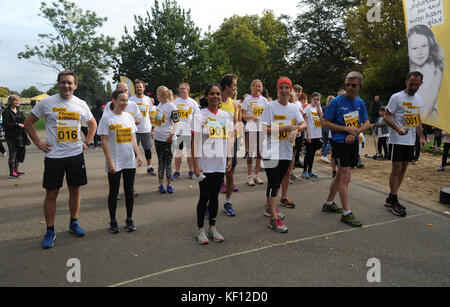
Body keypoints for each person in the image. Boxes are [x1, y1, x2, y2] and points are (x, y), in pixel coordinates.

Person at [24, 70, 97, 249]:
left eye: (70, 83)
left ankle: (73, 223)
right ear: (58, 84)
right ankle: (50, 230)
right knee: (52, 193)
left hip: (75, 154)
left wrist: (86, 142)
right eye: (63, 82)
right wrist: (39, 144)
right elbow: (28, 122)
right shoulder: (47, 102)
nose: (66, 86)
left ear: (75, 85)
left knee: (75, 189)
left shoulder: (81, 104)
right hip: (54, 156)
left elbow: (93, 123)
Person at [322, 71, 370, 227]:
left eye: (353, 85)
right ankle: (347, 213)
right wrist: (345, 130)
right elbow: (326, 123)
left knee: (340, 177)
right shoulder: (336, 102)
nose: (349, 88)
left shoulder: (360, 102)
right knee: (345, 176)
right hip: (339, 143)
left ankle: (329, 203)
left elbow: (366, 123)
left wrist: (356, 131)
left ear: (359, 86)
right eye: (348, 84)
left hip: (353, 142)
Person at [260, 77, 306, 233]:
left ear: (290, 90)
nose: (285, 90)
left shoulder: (294, 107)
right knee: (273, 182)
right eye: (282, 88)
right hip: (271, 151)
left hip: (286, 151)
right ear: (277, 90)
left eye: (287, 87)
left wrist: (297, 129)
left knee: (277, 182)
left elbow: (303, 124)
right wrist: (283, 128)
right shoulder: (270, 107)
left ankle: (269, 208)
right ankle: (273, 219)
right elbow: (263, 129)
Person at [192, 83, 233, 244]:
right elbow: (194, 142)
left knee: (215, 197)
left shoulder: (225, 116)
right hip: (204, 164)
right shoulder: (199, 115)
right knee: (204, 197)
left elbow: (228, 139)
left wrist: (229, 158)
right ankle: (200, 229)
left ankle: (212, 227)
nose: (215, 96)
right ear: (206, 96)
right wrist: (195, 165)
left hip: (219, 163)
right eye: (212, 94)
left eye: (217, 94)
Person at [98, 89, 143, 233]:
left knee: (129, 191)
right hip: (115, 161)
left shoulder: (129, 117)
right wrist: (110, 161)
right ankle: (113, 221)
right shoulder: (107, 118)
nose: (125, 103)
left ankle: (129, 219)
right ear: (114, 100)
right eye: (122, 100)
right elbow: (104, 141)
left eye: (126, 100)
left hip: (129, 159)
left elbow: (132, 137)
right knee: (114, 191)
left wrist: (138, 154)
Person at [384, 71, 426, 217]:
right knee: (396, 169)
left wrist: (421, 136)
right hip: (397, 139)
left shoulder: (419, 99)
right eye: (411, 84)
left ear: (421, 84)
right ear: (406, 82)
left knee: (403, 170)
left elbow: (417, 119)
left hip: (410, 140)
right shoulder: (396, 97)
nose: (413, 87)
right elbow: (386, 116)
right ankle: (394, 200)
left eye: (416, 84)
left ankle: (391, 197)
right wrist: (397, 128)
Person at [407, 24, 445, 122]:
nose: (420, 52)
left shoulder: (436, 70)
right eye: (414, 48)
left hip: (426, 119)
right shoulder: (412, 70)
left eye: (424, 46)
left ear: (430, 46)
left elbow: (429, 103)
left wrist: (413, 124)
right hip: (414, 119)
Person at [219, 74, 241, 216]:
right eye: (234, 85)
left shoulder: (234, 104)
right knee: (214, 175)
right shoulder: (215, 99)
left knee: (230, 173)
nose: (235, 88)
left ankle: (227, 201)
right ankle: (210, 203)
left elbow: (236, 124)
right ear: (227, 86)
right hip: (214, 142)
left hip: (231, 141)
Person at [152, 86, 179, 194]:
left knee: (168, 162)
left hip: (168, 139)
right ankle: (160, 185)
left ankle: (169, 184)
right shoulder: (159, 105)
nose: (157, 96)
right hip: (158, 138)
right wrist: (153, 129)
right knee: (160, 162)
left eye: (158, 94)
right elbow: (158, 121)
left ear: (162, 95)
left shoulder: (171, 106)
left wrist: (172, 135)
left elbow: (176, 122)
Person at [172, 82, 200, 180]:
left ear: (188, 89)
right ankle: (177, 172)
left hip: (189, 132)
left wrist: (196, 131)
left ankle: (191, 171)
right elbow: (173, 117)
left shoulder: (193, 103)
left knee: (190, 153)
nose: (181, 90)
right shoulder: (175, 102)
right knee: (178, 153)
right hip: (178, 132)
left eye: (183, 88)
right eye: (180, 89)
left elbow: (197, 117)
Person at [242, 79, 267, 186]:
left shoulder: (265, 100)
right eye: (256, 86)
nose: (258, 88)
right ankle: (249, 176)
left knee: (259, 153)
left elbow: (267, 115)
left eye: (259, 86)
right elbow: (243, 115)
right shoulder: (247, 99)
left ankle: (256, 175)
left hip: (261, 129)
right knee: (250, 154)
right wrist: (252, 117)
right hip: (251, 128)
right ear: (252, 87)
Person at [129, 80, 155, 176]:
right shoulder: (131, 100)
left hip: (146, 128)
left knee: (147, 149)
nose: (139, 89)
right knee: (133, 150)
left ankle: (149, 167)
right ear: (135, 89)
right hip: (134, 130)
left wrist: (152, 128)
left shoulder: (148, 99)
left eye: (140, 87)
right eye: (137, 87)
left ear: (144, 88)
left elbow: (151, 114)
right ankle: (132, 167)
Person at [2, 94, 28, 178]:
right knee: (12, 154)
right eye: (15, 100)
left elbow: (24, 120)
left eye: (18, 100)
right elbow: (5, 124)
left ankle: (16, 169)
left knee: (19, 153)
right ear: (11, 101)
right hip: (11, 136)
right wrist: (17, 124)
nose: (17, 102)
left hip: (20, 136)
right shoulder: (6, 111)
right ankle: (11, 172)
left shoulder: (19, 111)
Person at [303, 92, 324, 179]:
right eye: (314, 99)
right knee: (308, 154)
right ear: (311, 99)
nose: (316, 101)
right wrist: (307, 135)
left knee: (313, 154)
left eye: (318, 99)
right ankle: (304, 171)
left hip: (317, 134)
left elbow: (323, 121)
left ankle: (310, 170)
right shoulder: (307, 109)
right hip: (310, 134)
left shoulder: (318, 109)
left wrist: (319, 108)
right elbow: (305, 123)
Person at [320, 95, 334, 164]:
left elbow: (321, 117)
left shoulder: (323, 108)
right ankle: (324, 154)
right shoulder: (333, 108)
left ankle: (323, 152)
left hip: (323, 126)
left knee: (324, 141)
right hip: (329, 127)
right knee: (330, 142)